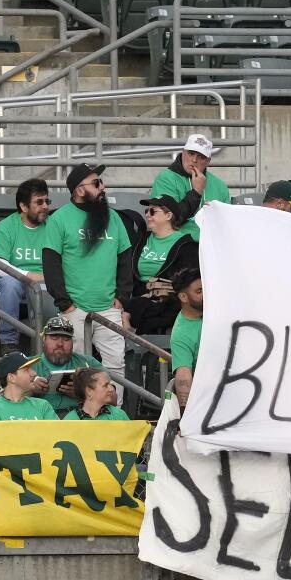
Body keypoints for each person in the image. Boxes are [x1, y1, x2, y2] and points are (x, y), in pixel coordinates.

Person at [42, 163, 132, 388]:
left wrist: (121, 297)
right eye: (96, 183)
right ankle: (81, 414)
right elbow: (51, 265)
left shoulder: (114, 218)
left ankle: (114, 413)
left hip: (109, 308)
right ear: (79, 190)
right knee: (78, 368)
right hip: (75, 309)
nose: (103, 186)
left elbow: (126, 259)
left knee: (115, 365)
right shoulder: (59, 219)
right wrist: (65, 303)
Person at [0, 178, 51, 354]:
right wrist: (30, 276)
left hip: (46, 283)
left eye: (47, 201)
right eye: (39, 202)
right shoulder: (6, 226)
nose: (45, 206)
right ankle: (8, 343)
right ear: (23, 206)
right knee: (10, 284)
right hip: (8, 283)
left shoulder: (54, 226)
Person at [125, 194, 197, 334]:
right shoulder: (141, 240)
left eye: (153, 211)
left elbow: (188, 281)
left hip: (168, 299)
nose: (147, 215)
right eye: (146, 211)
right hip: (139, 297)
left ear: (169, 215)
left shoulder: (186, 245)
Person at [149, 133, 231, 241]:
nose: (194, 160)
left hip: (211, 245)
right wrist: (196, 193)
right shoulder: (165, 179)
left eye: (201, 157)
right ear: (183, 152)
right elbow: (166, 222)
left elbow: (226, 224)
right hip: (175, 245)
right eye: (191, 153)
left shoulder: (220, 186)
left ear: (208, 162)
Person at [28, 314, 102, 416]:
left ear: (72, 342)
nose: (60, 344)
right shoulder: (26, 365)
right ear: (44, 339)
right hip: (40, 423)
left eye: (66, 339)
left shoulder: (88, 363)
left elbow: (112, 397)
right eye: (54, 337)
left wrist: (82, 393)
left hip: (80, 422)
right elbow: (7, 399)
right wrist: (30, 389)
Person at [0, 352, 58, 421]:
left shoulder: (43, 406)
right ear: (12, 378)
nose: (34, 373)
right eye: (27, 370)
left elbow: (58, 435)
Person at [169, 269, 203, 406]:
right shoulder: (180, 334)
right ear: (183, 297)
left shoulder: (219, 308)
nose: (206, 294)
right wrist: (185, 412)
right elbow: (183, 376)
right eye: (199, 291)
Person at [63, 367, 129, 421]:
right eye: (105, 385)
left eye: (110, 384)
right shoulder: (70, 420)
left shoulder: (119, 415)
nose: (111, 389)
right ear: (89, 391)